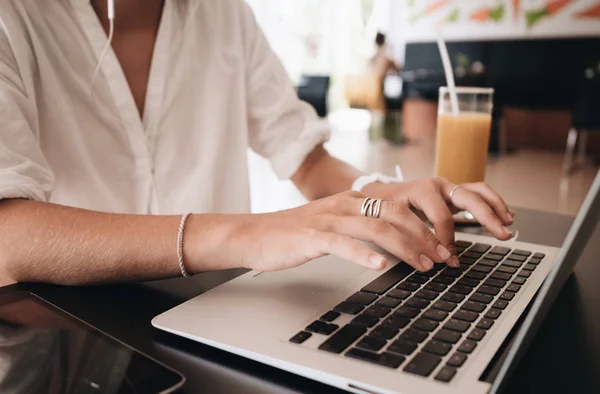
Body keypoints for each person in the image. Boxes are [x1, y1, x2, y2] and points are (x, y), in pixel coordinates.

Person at [0, 0, 514, 287]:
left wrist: (375, 196)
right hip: (61, 338)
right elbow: (8, 233)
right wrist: (248, 234)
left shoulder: (225, 15)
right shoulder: (14, 17)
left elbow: (305, 158)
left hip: (212, 317)